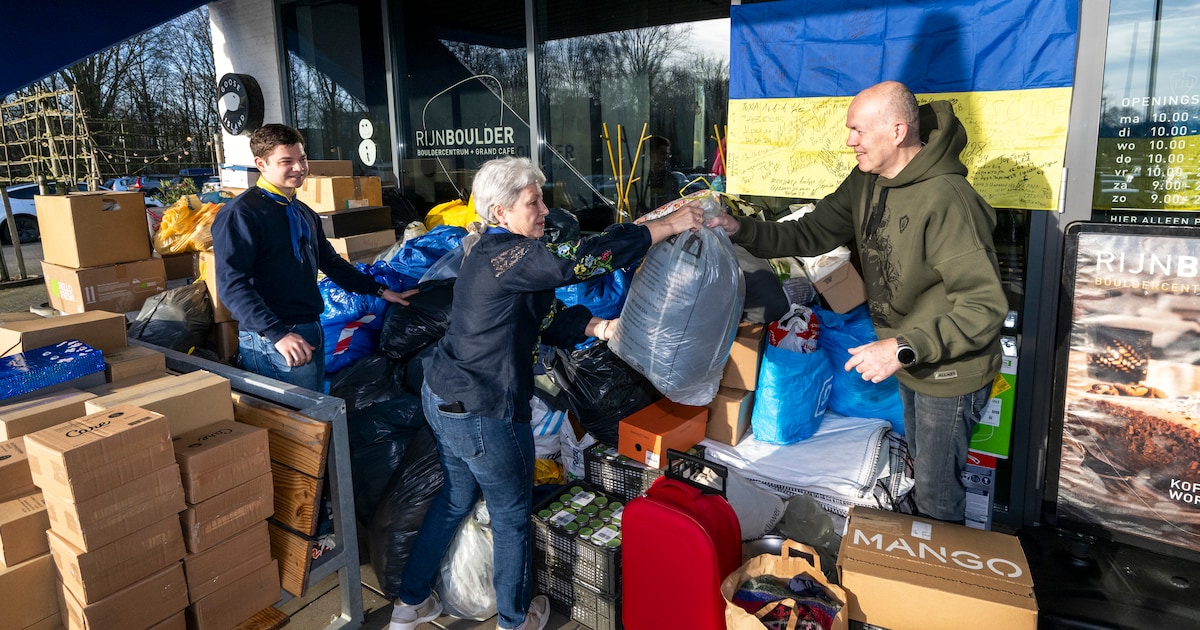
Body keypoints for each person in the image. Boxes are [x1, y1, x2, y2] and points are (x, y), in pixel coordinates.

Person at [390, 156, 704, 630]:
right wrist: (662, 227)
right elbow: (577, 260)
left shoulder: (492, 253)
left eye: (542, 200)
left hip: (445, 399)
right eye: (532, 202)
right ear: (500, 212)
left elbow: (544, 314)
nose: (542, 210)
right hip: (483, 409)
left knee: (456, 498)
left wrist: (596, 325)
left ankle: (408, 605)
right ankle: (515, 621)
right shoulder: (507, 255)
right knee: (512, 514)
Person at [707, 81, 1007, 524]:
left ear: (898, 130)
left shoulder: (950, 200)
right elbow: (808, 232)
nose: (850, 141)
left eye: (858, 131)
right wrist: (741, 229)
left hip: (950, 369)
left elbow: (984, 307)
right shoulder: (866, 181)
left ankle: (937, 586)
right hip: (908, 356)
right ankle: (911, 562)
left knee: (938, 491)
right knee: (922, 474)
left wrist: (902, 347)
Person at [211, 123, 413, 391]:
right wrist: (278, 334)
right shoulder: (241, 214)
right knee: (296, 422)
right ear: (261, 163)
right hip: (274, 338)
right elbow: (232, 284)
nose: (299, 168)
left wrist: (378, 289)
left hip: (309, 327)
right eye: (287, 161)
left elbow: (330, 262)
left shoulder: (303, 212)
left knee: (315, 415)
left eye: (302, 158)